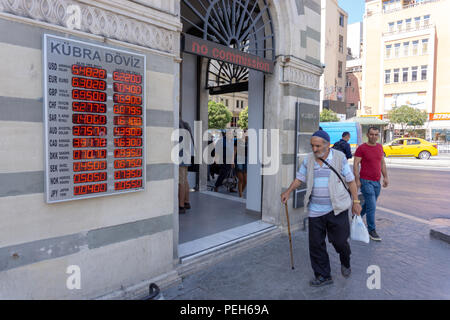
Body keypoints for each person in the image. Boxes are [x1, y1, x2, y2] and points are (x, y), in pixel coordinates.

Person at [281, 130, 362, 287]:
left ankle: (345, 261)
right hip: (315, 210)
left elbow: (351, 181)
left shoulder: (339, 158)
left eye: (317, 146)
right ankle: (323, 275)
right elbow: (300, 178)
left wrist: (356, 202)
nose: (314, 149)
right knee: (316, 244)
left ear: (327, 145)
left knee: (340, 242)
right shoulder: (309, 160)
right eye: (312, 146)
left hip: (337, 208)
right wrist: (288, 191)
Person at [353, 127, 389, 241]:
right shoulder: (361, 148)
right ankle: (371, 230)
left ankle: (356, 216)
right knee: (372, 206)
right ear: (367, 135)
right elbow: (355, 164)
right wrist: (357, 180)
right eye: (372, 134)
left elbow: (382, 163)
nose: (374, 137)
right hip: (365, 181)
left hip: (377, 182)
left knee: (369, 205)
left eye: (376, 135)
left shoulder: (379, 147)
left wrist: (386, 177)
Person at [178, 119, 194, 214]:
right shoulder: (186, 124)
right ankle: (186, 202)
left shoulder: (177, 124)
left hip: (180, 157)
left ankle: (181, 206)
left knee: (181, 182)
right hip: (186, 157)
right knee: (185, 180)